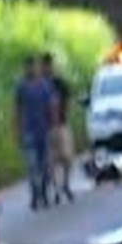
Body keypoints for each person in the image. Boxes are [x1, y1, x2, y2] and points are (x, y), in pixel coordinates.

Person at [13, 55, 55, 210]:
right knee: (32, 166)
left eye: (32, 66)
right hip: (28, 131)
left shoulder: (44, 85)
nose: (30, 69)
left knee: (45, 166)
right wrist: (16, 129)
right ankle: (35, 194)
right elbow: (17, 109)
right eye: (27, 66)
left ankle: (43, 191)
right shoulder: (20, 86)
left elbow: (52, 106)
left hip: (43, 131)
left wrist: (53, 126)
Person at [41, 52, 75, 204]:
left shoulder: (59, 83)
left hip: (61, 124)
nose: (47, 68)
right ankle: (56, 189)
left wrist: (64, 116)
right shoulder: (40, 84)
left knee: (66, 158)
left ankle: (65, 184)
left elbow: (67, 101)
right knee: (52, 161)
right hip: (45, 127)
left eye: (49, 65)